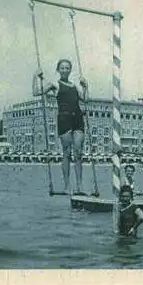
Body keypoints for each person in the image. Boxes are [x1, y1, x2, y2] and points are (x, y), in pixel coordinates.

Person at [33, 59, 88, 195]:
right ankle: (67, 186)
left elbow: (85, 99)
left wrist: (86, 86)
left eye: (67, 68)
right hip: (64, 119)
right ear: (58, 70)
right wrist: (35, 76)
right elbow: (36, 92)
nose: (65, 70)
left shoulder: (74, 85)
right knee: (67, 153)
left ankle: (80, 186)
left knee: (79, 152)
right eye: (62, 68)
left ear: (70, 70)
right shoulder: (54, 84)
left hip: (78, 119)